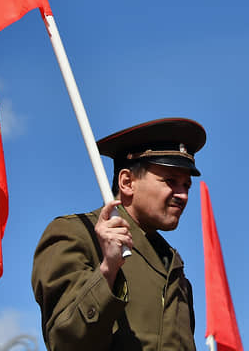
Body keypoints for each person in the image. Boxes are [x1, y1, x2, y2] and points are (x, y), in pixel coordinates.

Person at [32, 117, 205, 350]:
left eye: (186, 185)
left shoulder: (173, 269)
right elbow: (65, 340)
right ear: (127, 182)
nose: (182, 194)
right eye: (170, 181)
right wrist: (107, 271)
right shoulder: (77, 233)